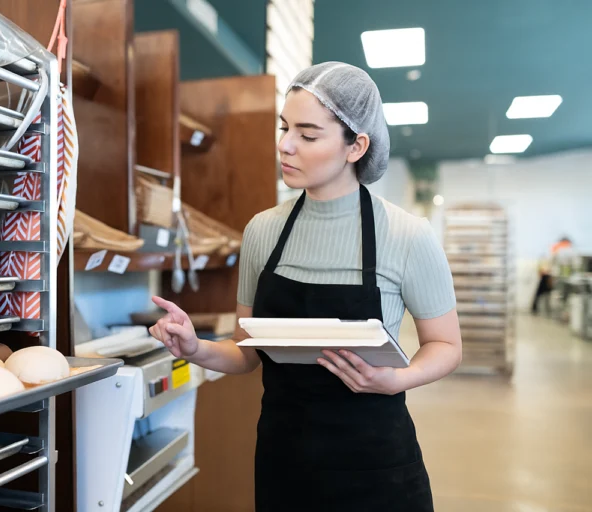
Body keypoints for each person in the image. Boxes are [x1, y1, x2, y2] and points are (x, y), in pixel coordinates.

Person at [148, 62, 462, 512]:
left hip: (376, 468)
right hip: (285, 463)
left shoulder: (407, 236)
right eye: (284, 128)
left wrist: (398, 379)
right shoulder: (263, 232)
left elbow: (446, 345)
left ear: (356, 146)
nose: (285, 146)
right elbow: (247, 352)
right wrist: (195, 347)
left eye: (308, 135)